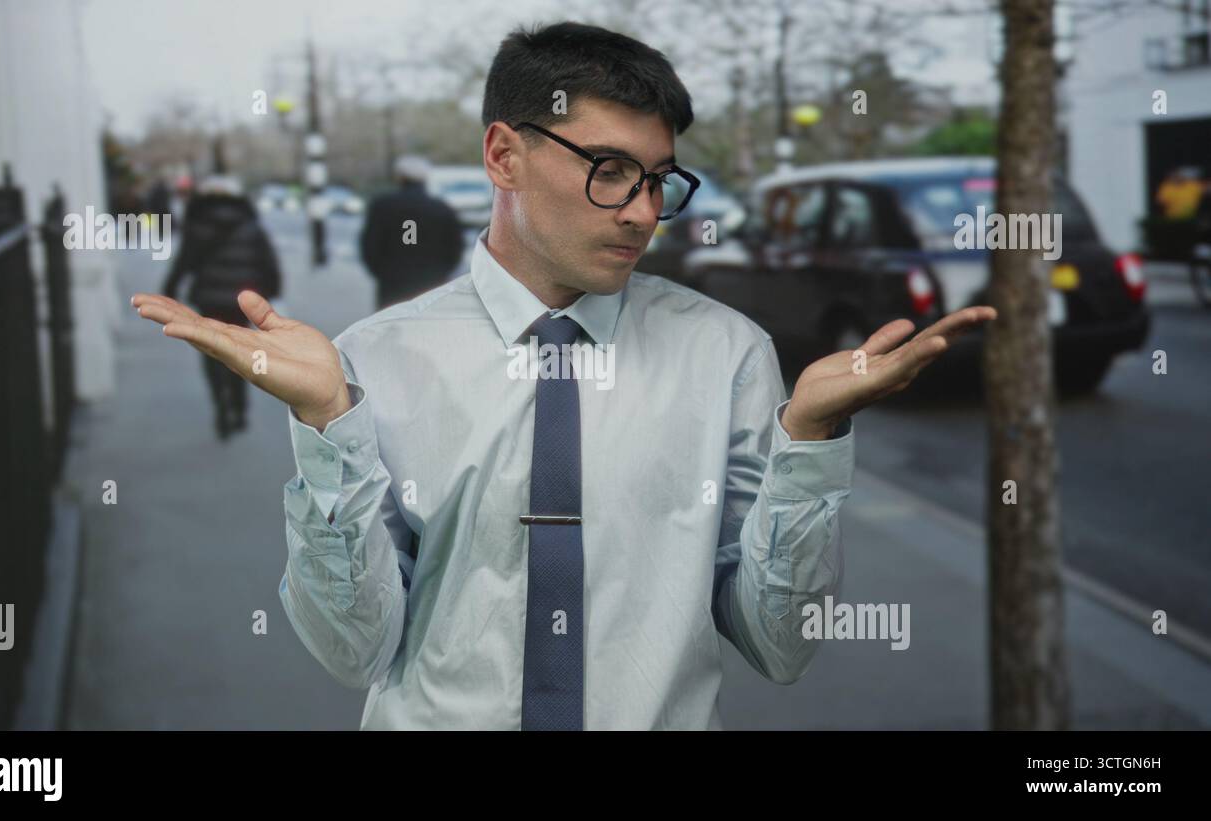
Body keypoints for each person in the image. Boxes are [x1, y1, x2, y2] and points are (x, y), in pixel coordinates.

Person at [132, 21, 995, 730]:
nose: (643, 211)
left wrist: (809, 442)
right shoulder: (372, 359)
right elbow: (353, 649)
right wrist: (327, 422)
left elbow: (781, 645)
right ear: (504, 155)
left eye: (659, 180)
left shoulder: (725, 352)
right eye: (609, 169)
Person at [160, 175, 282, 440]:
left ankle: (221, 406)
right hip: (242, 302)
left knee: (211, 352)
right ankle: (240, 407)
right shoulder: (251, 225)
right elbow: (268, 262)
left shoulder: (197, 225)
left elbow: (184, 262)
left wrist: (170, 289)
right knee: (239, 351)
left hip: (209, 300)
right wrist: (272, 291)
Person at [359, 154, 465, 309]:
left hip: (393, 282)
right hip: (433, 282)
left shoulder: (382, 206)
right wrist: (442, 272)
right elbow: (455, 248)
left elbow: (370, 246)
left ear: (400, 177)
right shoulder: (442, 209)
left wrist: (382, 272)